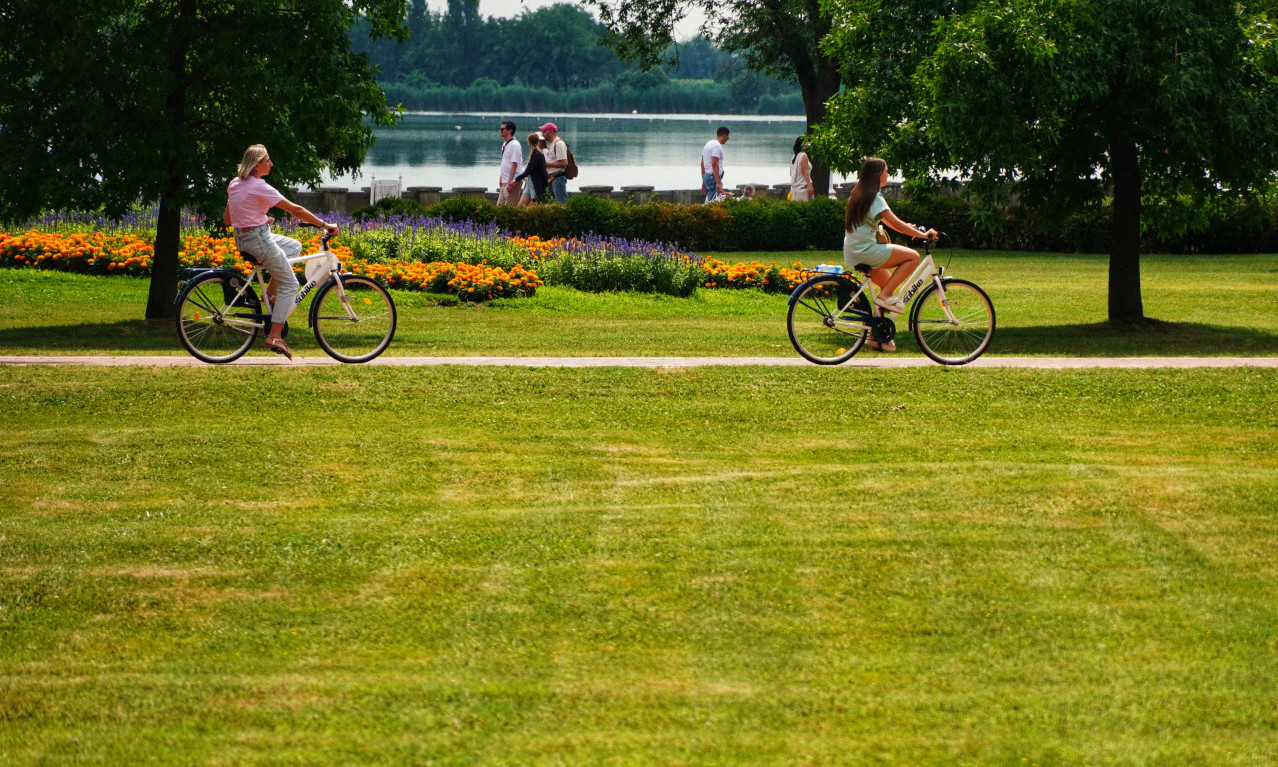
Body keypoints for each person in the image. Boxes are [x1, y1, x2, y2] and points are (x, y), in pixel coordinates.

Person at [223, 144, 338, 360]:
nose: (271, 164)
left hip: (245, 238)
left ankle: (269, 295)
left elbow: (229, 219)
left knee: (294, 247)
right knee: (291, 284)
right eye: (267, 161)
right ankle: (275, 335)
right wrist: (324, 225)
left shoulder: (235, 184)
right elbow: (296, 210)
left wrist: (260, 218)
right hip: (259, 239)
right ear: (257, 166)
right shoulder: (260, 186)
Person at [843, 157, 937, 352]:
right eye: (886, 171)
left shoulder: (860, 193)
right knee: (913, 257)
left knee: (887, 287)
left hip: (855, 250)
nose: (888, 174)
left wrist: (909, 228)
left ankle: (876, 338)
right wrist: (922, 234)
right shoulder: (874, 197)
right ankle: (884, 297)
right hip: (866, 250)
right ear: (878, 175)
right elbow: (896, 224)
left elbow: (882, 220)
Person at [514, 132, 548, 206]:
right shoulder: (537, 152)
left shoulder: (537, 153)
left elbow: (528, 170)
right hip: (530, 183)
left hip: (535, 184)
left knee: (534, 204)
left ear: (529, 142)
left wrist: (515, 179)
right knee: (521, 206)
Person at [540, 122, 570, 204]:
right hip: (552, 176)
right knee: (551, 200)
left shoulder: (559, 143)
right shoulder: (552, 144)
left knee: (562, 201)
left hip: (558, 176)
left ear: (550, 132)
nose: (542, 135)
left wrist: (547, 164)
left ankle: (566, 215)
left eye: (544, 132)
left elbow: (564, 163)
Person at [700, 126, 730, 203]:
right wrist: (718, 182)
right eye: (727, 136)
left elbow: (702, 164)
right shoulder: (717, 146)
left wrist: (703, 181)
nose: (728, 138)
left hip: (707, 175)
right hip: (712, 177)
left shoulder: (708, 144)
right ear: (724, 136)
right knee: (712, 201)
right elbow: (714, 164)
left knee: (710, 199)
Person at [497, 120, 523, 206]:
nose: (500, 130)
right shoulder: (505, 144)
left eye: (502, 129)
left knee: (510, 207)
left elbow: (514, 164)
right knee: (499, 207)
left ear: (510, 130)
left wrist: (510, 182)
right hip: (505, 181)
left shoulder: (514, 145)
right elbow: (505, 162)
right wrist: (501, 178)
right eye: (500, 129)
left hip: (512, 182)